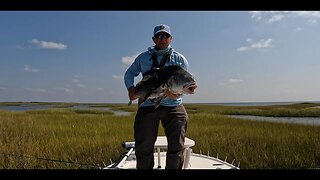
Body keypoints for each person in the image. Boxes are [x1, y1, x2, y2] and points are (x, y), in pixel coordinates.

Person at [124, 24, 192, 169]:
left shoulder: (180, 60)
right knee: (143, 146)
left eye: (166, 36)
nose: (162, 39)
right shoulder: (143, 58)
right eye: (159, 36)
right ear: (153, 39)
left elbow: (183, 84)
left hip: (173, 104)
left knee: (177, 145)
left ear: (171, 39)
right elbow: (129, 74)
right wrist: (131, 88)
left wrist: (177, 94)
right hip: (147, 104)